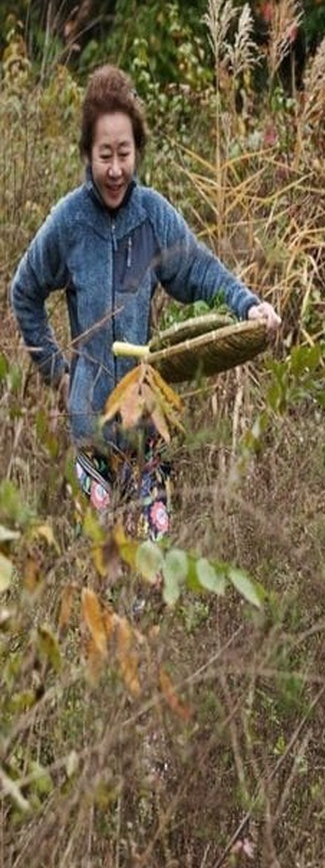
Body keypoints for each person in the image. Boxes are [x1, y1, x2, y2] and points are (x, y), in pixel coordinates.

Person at [11, 64, 281, 541]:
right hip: (89, 428)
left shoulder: (154, 217)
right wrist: (58, 373)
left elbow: (200, 272)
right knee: (98, 571)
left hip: (145, 431)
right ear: (87, 156)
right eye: (104, 156)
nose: (115, 170)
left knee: (150, 576)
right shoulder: (68, 223)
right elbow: (24, 293)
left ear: (137, 150)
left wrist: (248, 306)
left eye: (124, 154)